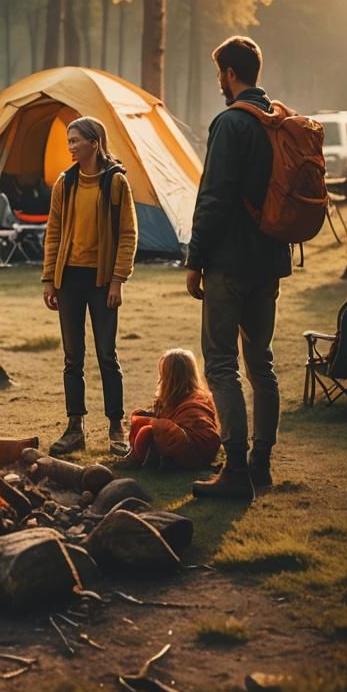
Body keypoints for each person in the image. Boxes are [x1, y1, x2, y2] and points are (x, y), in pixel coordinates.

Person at [185, 36, 292, 499]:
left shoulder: (230, 123)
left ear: (230, 73)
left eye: (219, 73)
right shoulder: (278, 121)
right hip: (270, 262)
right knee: (261, 363)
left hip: (230, 263)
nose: (219, 82)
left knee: (222, 365)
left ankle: (234, 471)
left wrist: (196, 260)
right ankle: (260, 464)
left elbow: (214, 198)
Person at [42, 116, 138, 456]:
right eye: (69, 141)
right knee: (73, 358)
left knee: (107, 355)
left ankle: (116, 425)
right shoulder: (64, 183)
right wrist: (49, 279)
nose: (70, 146)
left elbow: (128, 234)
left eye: (75, 141)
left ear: (94, 143)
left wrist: (117, 280)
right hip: (69, 279)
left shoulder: (116, 182)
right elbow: (53, 232)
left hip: (101, 281)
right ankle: (75, 427)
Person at [115, 348, 221, 471]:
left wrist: (155, 425)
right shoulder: (176, 396)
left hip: (195, 450)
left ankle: (140, 460)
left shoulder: (195, 401)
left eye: (163, 374)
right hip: (191, 447)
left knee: (147, 431)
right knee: (140, 418)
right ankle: (154, 457)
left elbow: (191, 431)